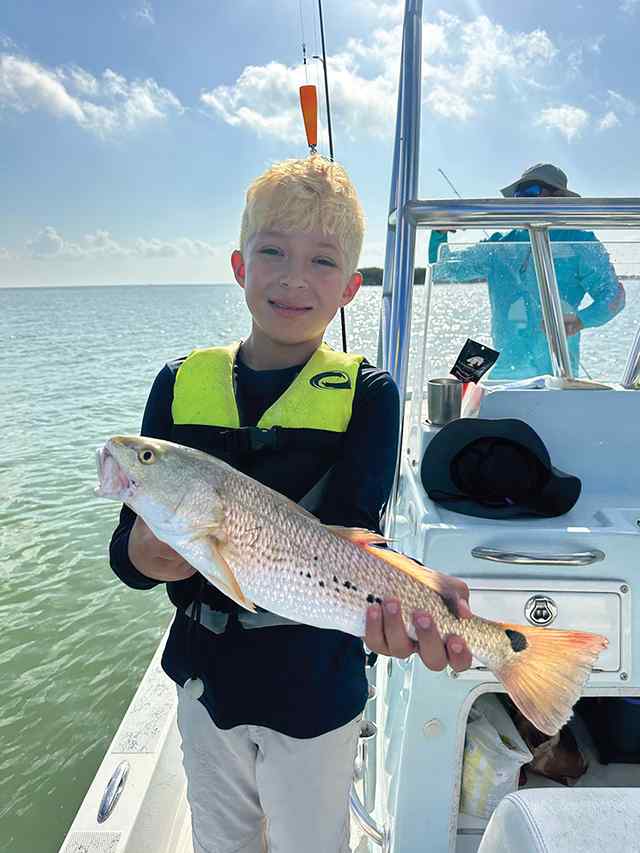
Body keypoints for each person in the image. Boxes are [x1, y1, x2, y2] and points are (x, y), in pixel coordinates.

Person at [109, 155, 472, 853]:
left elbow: (352, 538)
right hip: (204, 681)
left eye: (322, 260)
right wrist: (146, 552)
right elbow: (126, 554)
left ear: (351, 288)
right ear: (240, 265)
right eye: (272, 251)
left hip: (315, 686)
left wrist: (412, 593)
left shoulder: (368, 394)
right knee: (223, 842)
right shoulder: (177, 384)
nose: (293, 278)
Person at [429, 163, 625, 379]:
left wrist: (581, 320)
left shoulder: (580, 241)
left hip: (556, 371)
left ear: (558, 197)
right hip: (503, 369)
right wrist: (439, 233)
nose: (521, 199)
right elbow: (443, 270)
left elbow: (614, 295)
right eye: (517, 195)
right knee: (460, 394)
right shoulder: (499, 245)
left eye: (530, 191)